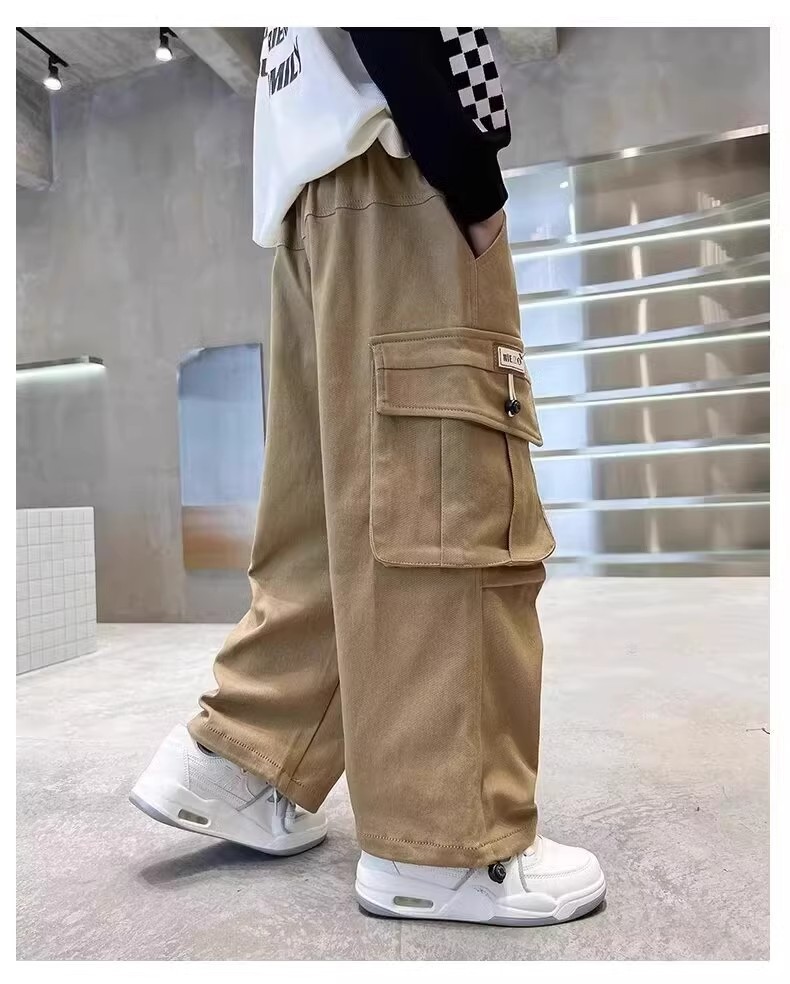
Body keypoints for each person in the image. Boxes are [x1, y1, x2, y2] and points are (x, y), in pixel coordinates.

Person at [131, 27, 605, 926]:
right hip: (400, 168)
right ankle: (444, 843)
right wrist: (467, 171)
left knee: (330, 512)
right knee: (443, 500)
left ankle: (243, 760)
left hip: (308, 201)